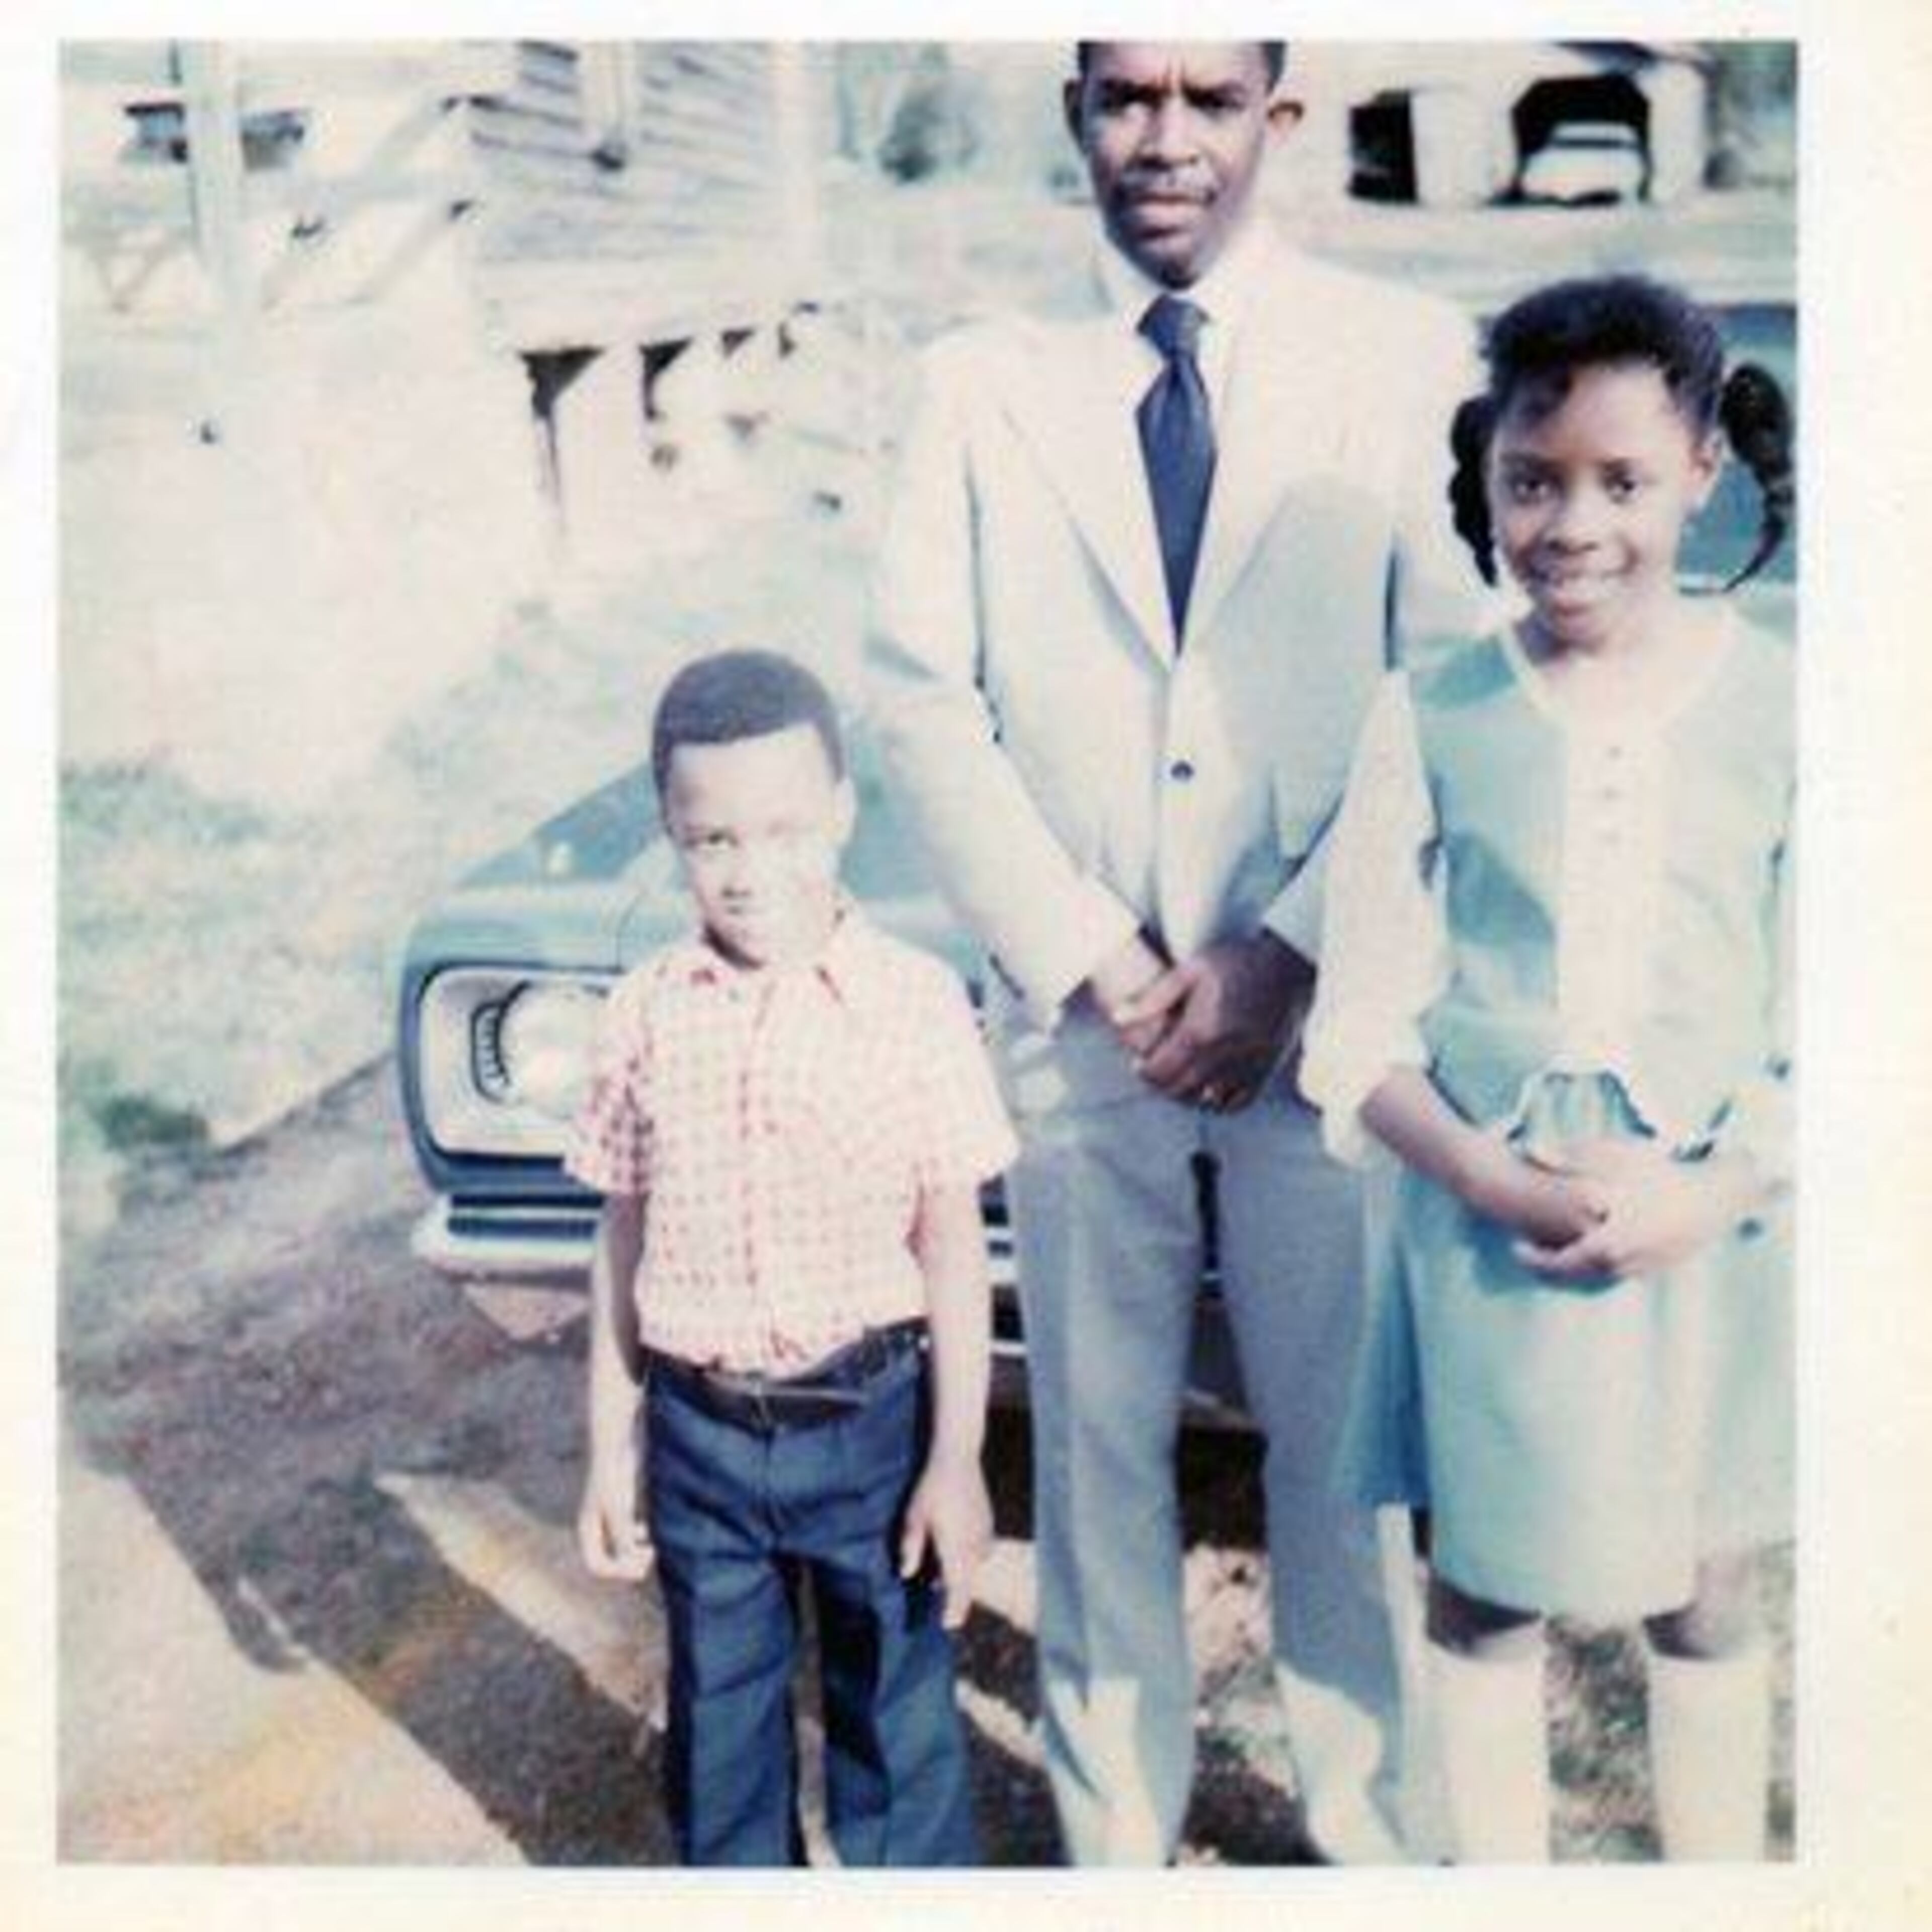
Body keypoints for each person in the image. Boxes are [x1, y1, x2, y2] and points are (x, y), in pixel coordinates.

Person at [866, 41, 1486, 1864]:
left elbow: (1439, 684)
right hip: (1087, 1034)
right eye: (1127, 95)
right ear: (1075, 114)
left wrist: (1287, 954)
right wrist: (1093, 958)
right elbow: (921, 696)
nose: (1166, 137)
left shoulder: (1401, 359)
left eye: (1211, 98)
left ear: (1277, 121)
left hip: (1325, 1016)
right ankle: (1115, 1842)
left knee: (1341, 1449)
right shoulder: (976, 386)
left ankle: (1372, 1835)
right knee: (1098, 1450)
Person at [1302, 274, 1796, 1861]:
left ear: (1703, 475)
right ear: (1488, 482)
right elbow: (1360, 1030)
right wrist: (1494, 1176)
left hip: (1713, 1230)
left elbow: (1845, 1011)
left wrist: (1714, 1193)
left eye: (1623, 481)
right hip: (1490, 1226)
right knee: (1489, 1583)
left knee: (1713, 1589)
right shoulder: (1431, 709)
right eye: (1534, 481)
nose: (1573, 523)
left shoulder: (1788, 704)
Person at [568, 648, 1017, 1866]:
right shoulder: (645, 1014)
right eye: (712, 840)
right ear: (670, 832)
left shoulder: (915, 1004)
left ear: (843, 816)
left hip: (873, 1427)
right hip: (702, 1441)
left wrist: (959, 1461)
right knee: (719, 1746)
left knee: (898, 1736)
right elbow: (621, 1241)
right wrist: (613, 1446)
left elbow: (953, 1248)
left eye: (783, 832)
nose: (750, 872)